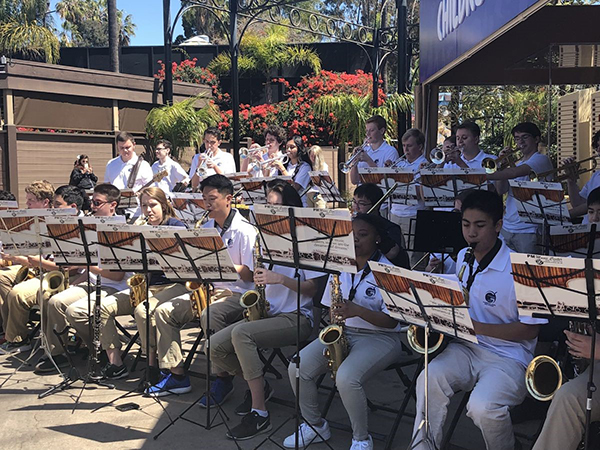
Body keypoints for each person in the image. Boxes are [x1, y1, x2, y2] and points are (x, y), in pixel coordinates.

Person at [411, 190, 546, 450]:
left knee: (483, 407)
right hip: (466, 348)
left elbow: (529, 332)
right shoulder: (463, 257)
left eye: (480, 225)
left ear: (498, 225)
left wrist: (475, 327)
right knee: (428, 378)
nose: (471, 233)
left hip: (509, 358)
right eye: (465, 224)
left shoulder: (522, 268)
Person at [196, 181, 320, 440]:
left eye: (275, 206)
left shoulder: (308, 239)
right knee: (213, 347)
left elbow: (314, 291)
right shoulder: (263, 238)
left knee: (242, 335)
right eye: (266, 205)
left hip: (298, 316)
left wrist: (281, 279)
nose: (268, 210)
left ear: (291, 208)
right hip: (268, 311)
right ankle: (259, 387)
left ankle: (259, 411)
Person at [284, 213, 404, 450]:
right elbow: (332, 307)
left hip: (381, 338)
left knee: (347, 378)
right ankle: (314, 425)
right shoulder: (340, 266)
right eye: (352, 235)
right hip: (344, 331)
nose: (355, 240)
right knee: (297, 366)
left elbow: (391, 323)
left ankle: (361, 439)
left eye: (363, 235)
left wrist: (357, 310)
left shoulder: (388, 272)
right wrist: (337, 324)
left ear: (377, 238)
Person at [144, 174, 256, 396]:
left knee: (210, 315)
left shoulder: (245, 230)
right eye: (204, 198)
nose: (206, 204)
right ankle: (177, 375)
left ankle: (222, 379)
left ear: (228, 199)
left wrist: (221, 266)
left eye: (212, 198)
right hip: (209, 289)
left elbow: (251, 275)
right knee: (163, 312)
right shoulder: (204, 227)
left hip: (237, 293)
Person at [68, 187, 188, 380]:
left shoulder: (176, 226)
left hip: (173, 285)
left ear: (164, 205)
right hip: (148, 286)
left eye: (153, 205)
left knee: (143, 310)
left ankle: (152, 363)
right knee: (103, 307)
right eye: (144, 206)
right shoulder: (142, 226)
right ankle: (116, 363)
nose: (148, 210)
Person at [35, 183, 128, 373]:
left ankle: (99, 349)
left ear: (113, 205)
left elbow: (117, 275)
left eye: (97, 203)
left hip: (115, 287)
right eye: (92, 202)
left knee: (75, 311)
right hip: (93, 282)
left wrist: (83, 265)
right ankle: (57, 353)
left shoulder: (121, 230)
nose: (92, 206)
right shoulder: (87, 228)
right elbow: (91, 269)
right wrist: (75, 281)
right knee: (56, 301)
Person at [0, 185, 84, 355]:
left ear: (73, 207)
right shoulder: (53, 222)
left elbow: (72, 267)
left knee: (19, 293)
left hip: (69, 276)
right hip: (49, 269)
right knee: (8, 285)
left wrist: (34, 262)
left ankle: (51, 346)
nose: (53, 208)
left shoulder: (81, 226)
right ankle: (15, 335)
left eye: (57, 205)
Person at [486, 122, 554, 254]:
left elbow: (514, 173)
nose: (520, 142)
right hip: (508, 227)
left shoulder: (541, 159)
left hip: (529, 229)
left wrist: (484, 176)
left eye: (524, 137)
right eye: (517, 138)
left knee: (528, 272)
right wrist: (501, 165)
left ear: (536, 139)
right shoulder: (516, 163)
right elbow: (501, 190)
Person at [0, 182, 52, 344]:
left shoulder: (53, 222)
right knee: (1, 278)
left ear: (45, 202)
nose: (27, 204)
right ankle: (9, 329)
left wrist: (17, 258)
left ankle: (17, 337)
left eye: (31, 200)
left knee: (17, 292)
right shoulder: (28, 221)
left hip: (45, 269)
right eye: (27, 200)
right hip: (30, 265)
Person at [387, 128, 428, 270]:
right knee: (396, 256)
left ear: (420, 147)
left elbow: (422, 193)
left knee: (414, 258)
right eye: (404, 146)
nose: (405, 149)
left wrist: (401, 186)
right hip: (395, 213)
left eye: (409, 146)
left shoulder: (425, 164)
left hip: (413, 215)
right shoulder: (400, 164)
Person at [352, 183, 410, 268]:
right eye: (354, 202)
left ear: (376, 205)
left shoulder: (390, 228)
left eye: (362, 203)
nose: (356, 207)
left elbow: (392, 254)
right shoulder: (352, 223)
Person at [350, 115, 400, 186]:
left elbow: (385, 181)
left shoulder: (390, 151)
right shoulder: (364, 150)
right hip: (362, 193)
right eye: (367, 131)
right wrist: (354, 163)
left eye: (372, 130)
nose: (367, 134)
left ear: (382, 131)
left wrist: (368, 160)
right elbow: (354, 181)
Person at [567, 130, 600, 220]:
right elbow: (578, 204)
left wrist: (564, 216)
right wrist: (571, 180)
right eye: (597, 146)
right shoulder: (596, 176)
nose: (598, 150)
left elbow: (594, 205)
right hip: (587, 230)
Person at [272, 136, 312, 206]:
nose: (288, 150)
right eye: (287, 147)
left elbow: (295, 188)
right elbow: (273, 185)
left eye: (292, 147)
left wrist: (282, 169)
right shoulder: (285, 164)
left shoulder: (305, 167)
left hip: (299, 205)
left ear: (299, 148)